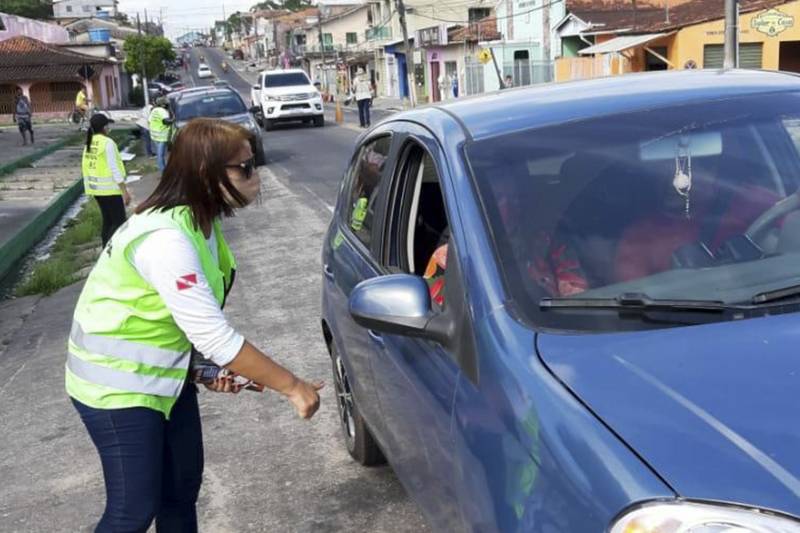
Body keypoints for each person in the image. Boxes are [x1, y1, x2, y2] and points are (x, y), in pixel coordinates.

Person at [66, 118, 324, 532]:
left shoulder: (201, 224)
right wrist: (291, 386)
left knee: (181, 491)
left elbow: (185, 321)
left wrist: (203, 367)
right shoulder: (166, 239)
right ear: (206, 175)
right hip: (114, 388)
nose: (255, 175)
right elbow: (213, 334)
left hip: (164, 379)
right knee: (133, 509)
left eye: (253, 163)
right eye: (244, 168)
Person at [82, 113, 131, 247]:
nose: (109, 128)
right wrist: (124, 191)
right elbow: (114, 168)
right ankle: (111, 250)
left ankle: (105, 249)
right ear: (104, 127)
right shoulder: (107, 143)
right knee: (119, 222)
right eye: (107, 125)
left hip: (97, 190)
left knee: (108, 221)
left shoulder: (89, 143)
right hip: (110, 189)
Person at [149, 97, 173, 172]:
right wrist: (173, 119)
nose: (168, 105)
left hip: (154, 135)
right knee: (160, 155)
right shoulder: (162, 111)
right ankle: (163, 171)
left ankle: (164, 169)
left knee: (160, 154)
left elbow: (150, 120)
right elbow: (166, 121)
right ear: (163, 105)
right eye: (167, 103)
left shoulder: (154, 110)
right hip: (161, 136)